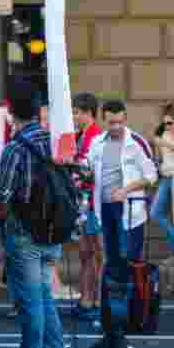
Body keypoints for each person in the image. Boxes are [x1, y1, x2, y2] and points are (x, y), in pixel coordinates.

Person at [0, 84, 63, 348]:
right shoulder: (54, 142)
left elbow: (4, 196)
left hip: (24, 234)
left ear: (11, 114)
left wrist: (2, 225)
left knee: (31, 303)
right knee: (46, 298)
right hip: (53, 232)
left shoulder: (15, 148)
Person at [86, 99, 158, 274]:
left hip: (129, 209)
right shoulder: (96, 143)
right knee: (111, 258)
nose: (116, 126)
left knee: (130, 258)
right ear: (104, 120)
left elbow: (152, 176)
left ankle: (132, 300)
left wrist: (126, 190)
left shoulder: (136, 142)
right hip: (104, 207)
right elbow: (89, 170)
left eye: (120, 122)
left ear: (125, 119)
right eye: (111, 123)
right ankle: (115, 299)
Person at [72, 92, 105, 323]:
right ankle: (86, 297)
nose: (74, 116)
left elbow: (94, 171)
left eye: (76, 112)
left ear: (88, 113)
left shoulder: (95, 137)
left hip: (92, 202)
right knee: (85, 253)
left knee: (95, 252)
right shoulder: (81, 135)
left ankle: (94, 299)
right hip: (82, 201)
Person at [152, 102, 174, 259]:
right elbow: (158, 156)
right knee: (155, 212)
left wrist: (166, 143)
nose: (167, 126)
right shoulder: (162, 135)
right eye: (164, 123)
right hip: (166, 177)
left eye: (170, 123)